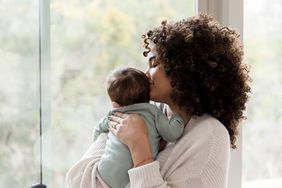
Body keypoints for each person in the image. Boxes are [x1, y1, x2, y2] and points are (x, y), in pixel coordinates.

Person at [66, 14, 251, 188]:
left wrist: (140, 148)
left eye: (154, 64)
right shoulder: (145, 110)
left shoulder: (210, 135)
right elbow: (78, 180)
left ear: (184, 68)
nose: (146, 74)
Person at [92, 67, 185, 188]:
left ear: (115, 104)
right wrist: (177, 117)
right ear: (148, 95)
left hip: (105, 172)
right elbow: (172, 134)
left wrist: (102, 148)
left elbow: (97, 131)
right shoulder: (153, 112)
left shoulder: (113, 115)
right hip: (132, 179)